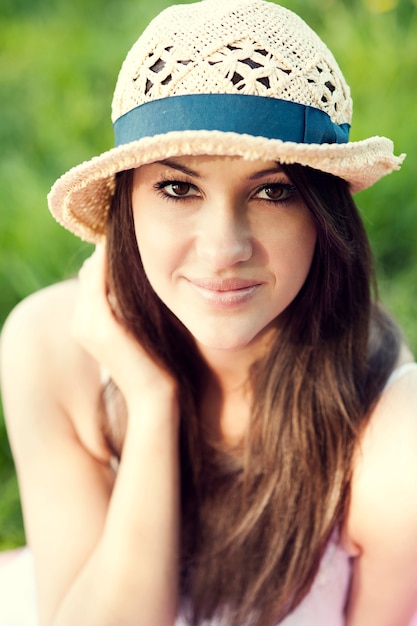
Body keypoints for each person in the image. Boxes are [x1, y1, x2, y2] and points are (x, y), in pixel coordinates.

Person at [1, 0, 417, 624]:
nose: (224, 249)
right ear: (127, 207)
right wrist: (150, 402)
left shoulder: (392, 438)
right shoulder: (50, 347)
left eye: (273, 191)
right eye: (178, 188)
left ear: (324, 218)